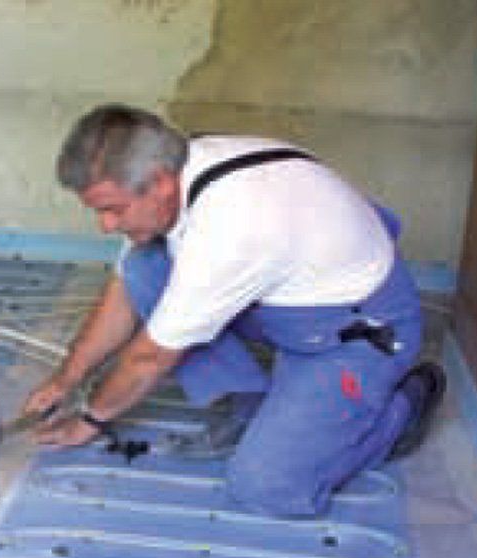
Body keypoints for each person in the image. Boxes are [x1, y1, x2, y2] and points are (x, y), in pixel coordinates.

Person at [24, 104, 445, 517]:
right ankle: (251, 406)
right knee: (144, 267)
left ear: (160, 183)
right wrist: (68, 376)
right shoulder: (178, 166)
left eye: (112, 210)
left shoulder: (232, 228)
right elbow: (123, 292)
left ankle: (405, 408)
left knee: (268, 486)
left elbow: (149, 358)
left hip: (357, 332)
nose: (105, 226)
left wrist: (90, 420)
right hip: (291, 294)